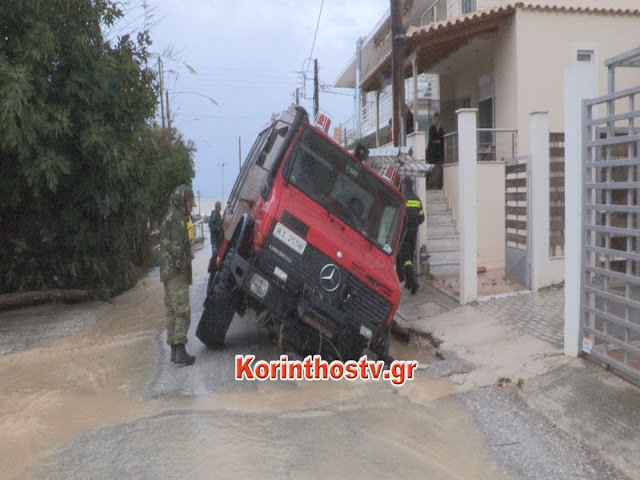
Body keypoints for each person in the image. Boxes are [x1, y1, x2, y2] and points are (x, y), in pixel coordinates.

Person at [160, 184, 197, 365]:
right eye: (190, 203)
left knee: (172, 311)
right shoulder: (178, 218)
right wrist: (183, 270)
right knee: (182, 310)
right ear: (183, 200)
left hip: (167, 272)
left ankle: (175, 352)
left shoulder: (169, 216)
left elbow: (172, 245)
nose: (191, 207)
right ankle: (180, 351)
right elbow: (176, 248)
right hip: (175, 272)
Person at [400, 176, 424, 295]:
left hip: (404, 233)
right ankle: (409, 283)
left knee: (406, 259)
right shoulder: (417, 200)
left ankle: (414, 282)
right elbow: (422, 218)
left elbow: (399, 217)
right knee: (410, 256)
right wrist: (415, 225)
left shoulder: (402, 199)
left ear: (405, 185)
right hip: (414, 232)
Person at [427, 112, 445, 189]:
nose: (436, 120)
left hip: (439, 153)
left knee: (441, 168)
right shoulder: (431, 129)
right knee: (430, 169)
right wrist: (437, 141)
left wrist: (438, 141)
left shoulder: (441, 130)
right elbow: (431, 140)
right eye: (435, 119)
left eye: (438, 119)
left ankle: (440, 184)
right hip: (432, 152)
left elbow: (442, 140)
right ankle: (427, 183)